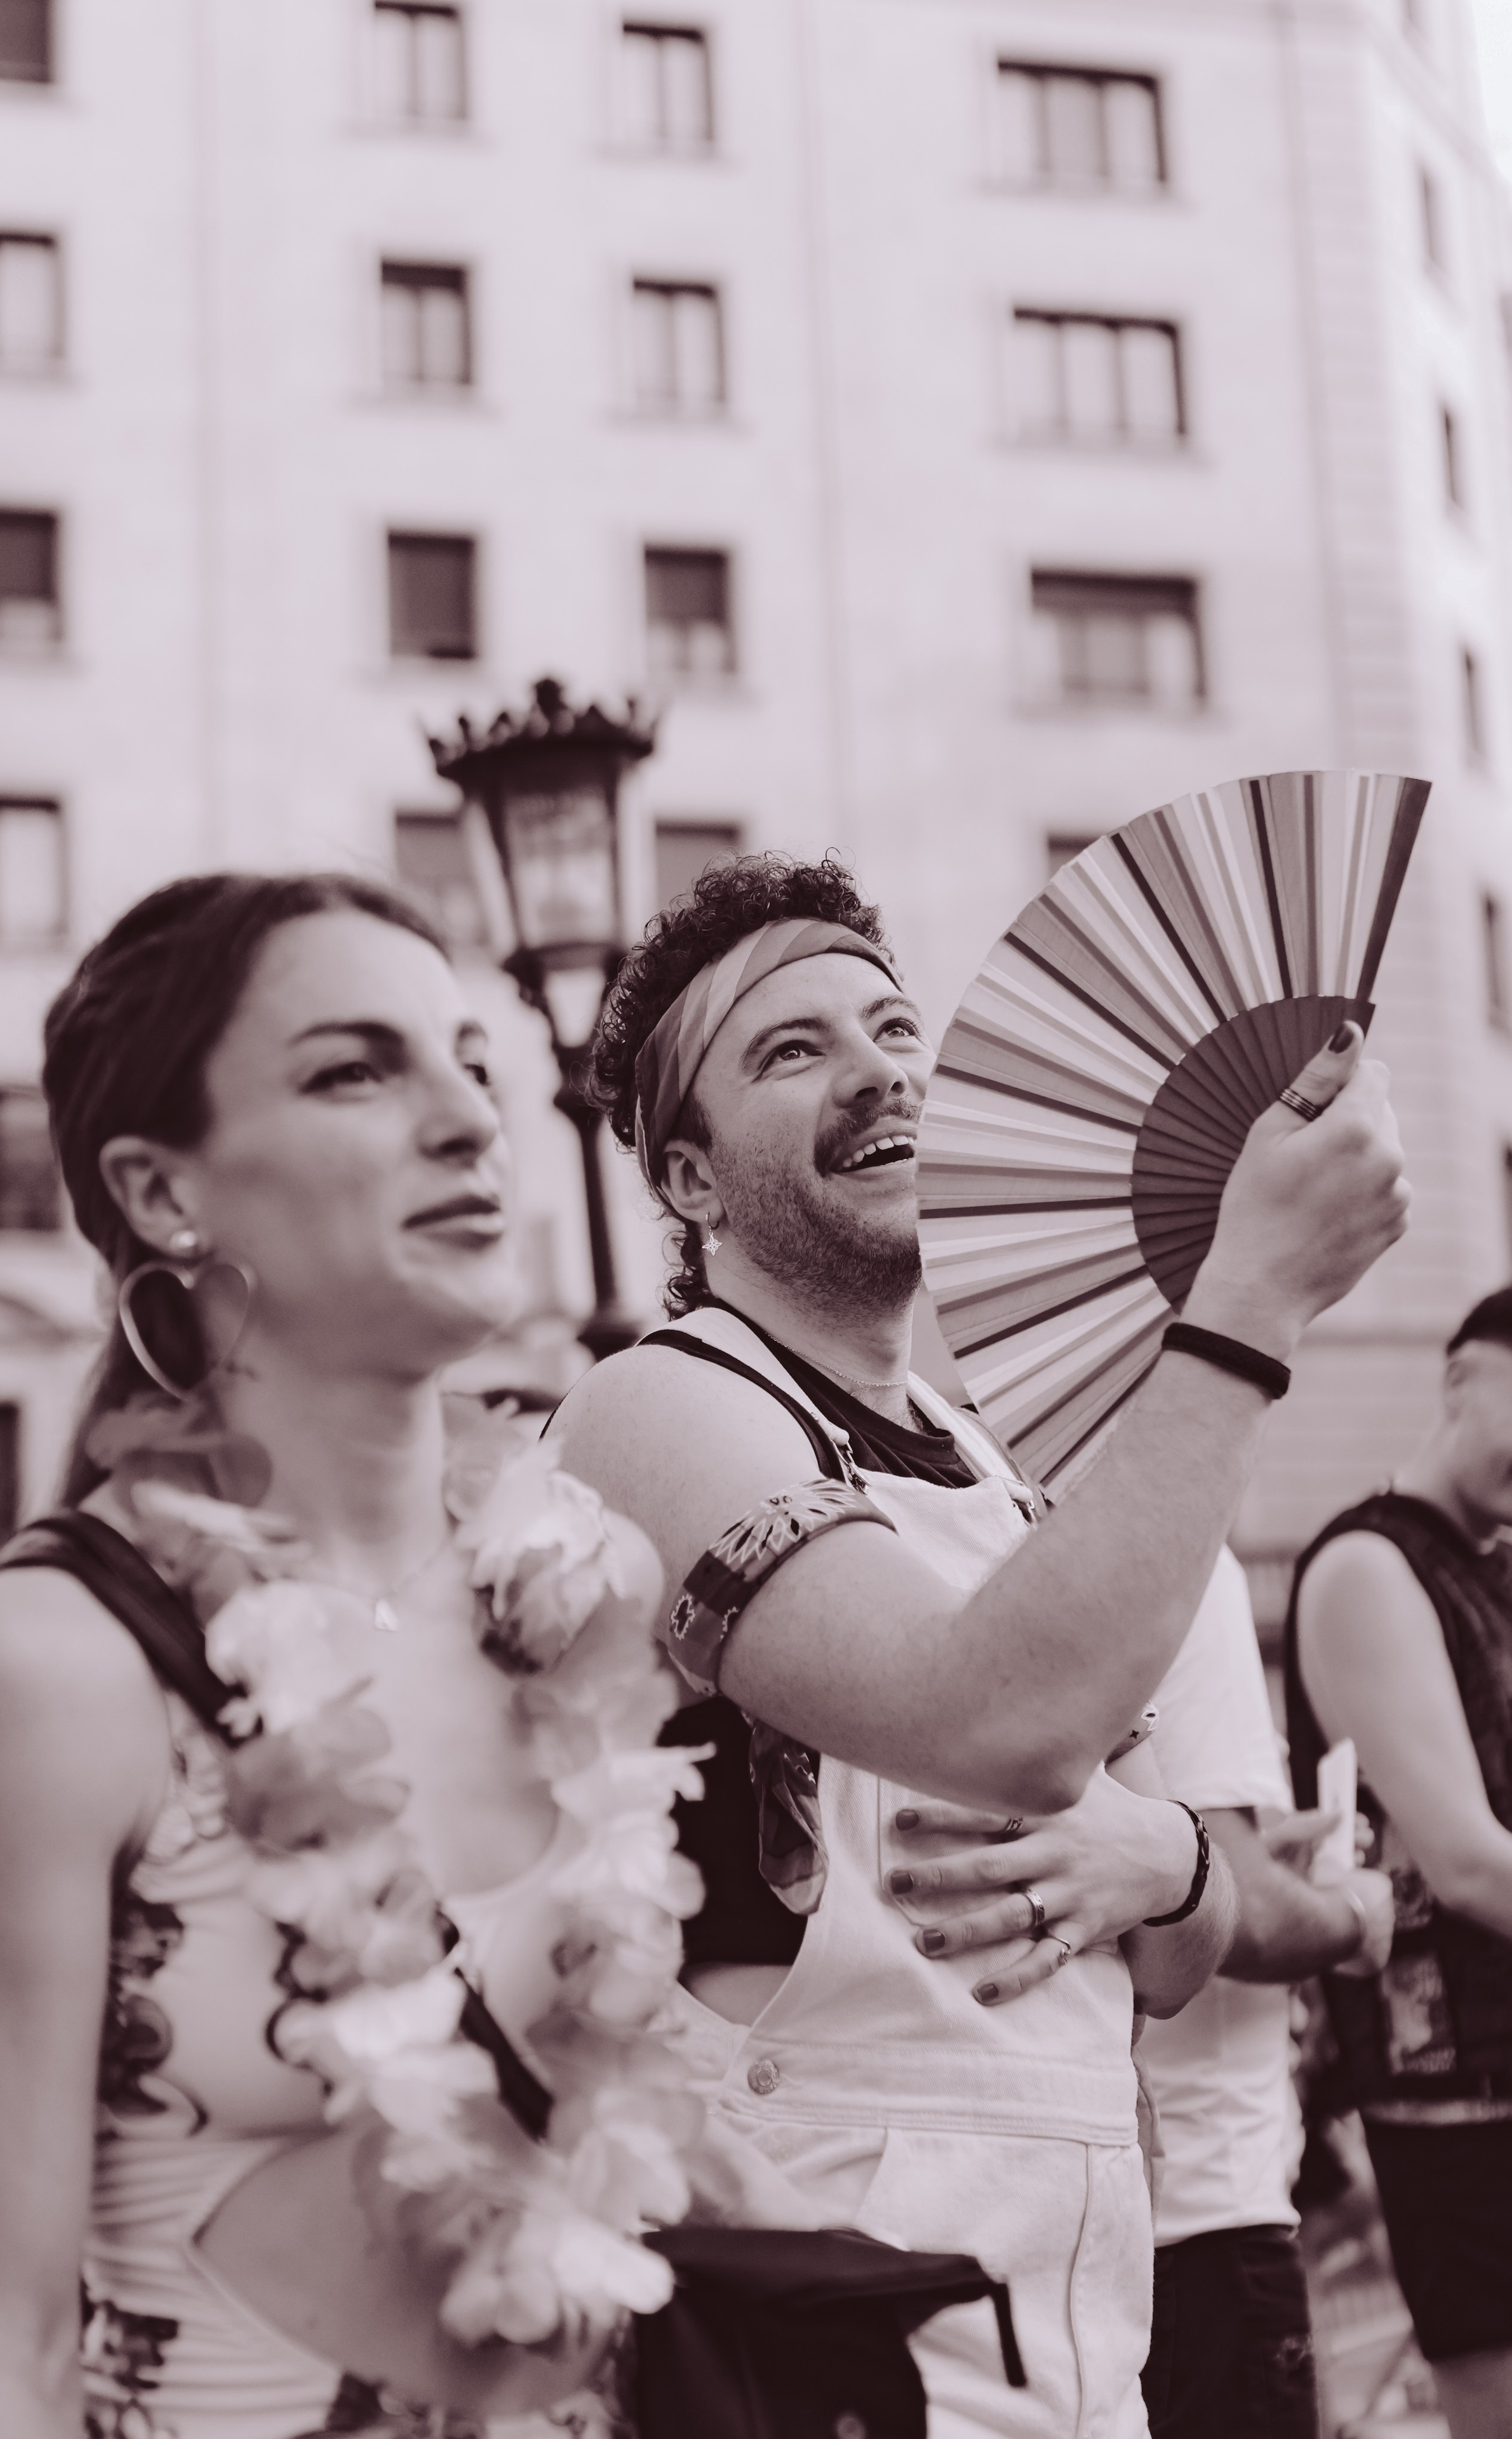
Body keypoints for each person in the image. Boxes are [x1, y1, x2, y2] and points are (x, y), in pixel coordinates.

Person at [550, 852, 1410, 2436]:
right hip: (808, 2310)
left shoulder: (998, 1462)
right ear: (684, 1180)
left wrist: (1164, 1858)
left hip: (1079, 2324)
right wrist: (1251, 1299)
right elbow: (999, 1721)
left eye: (891, 1028)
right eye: (789, 1047)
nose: (879, 1065)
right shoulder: (658, 1404)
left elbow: (1173, 1952)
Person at [0, 873, 713, 2438]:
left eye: (471, 1060)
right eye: (356, 1069)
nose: (474, 1120)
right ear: (160, 1192)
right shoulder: (53, 1667)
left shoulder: (575, 1611)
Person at [1288, 1286, 1512, 2439]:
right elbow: (1470, 1865)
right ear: (1466, 1374)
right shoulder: (1369, 1567)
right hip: (1462, 2099)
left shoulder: (1495, 1566)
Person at [1137, 1546, 1395, 2439]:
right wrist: (1356, 1912)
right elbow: (1235, 1926)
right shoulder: (1187, 1565)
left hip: (1118, 2194)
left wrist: (1244, 1871)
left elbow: (1182, 1873)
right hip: (1203, 2203)